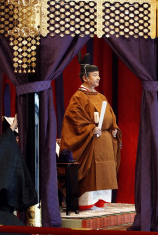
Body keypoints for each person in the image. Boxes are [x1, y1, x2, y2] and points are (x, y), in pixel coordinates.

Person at [59, 55, 121, 211]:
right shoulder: (78, 97)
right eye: (95, 75)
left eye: (99, 74)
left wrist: (114, 129)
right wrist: (90, 129)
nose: (99, 78)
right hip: (91, 142)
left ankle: (101, 201)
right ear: (85, 78)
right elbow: (75, 121)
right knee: (92, 174)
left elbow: (111, 117)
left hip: (106, 141)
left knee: (104, 174)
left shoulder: (101, 96)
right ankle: (87, 202)